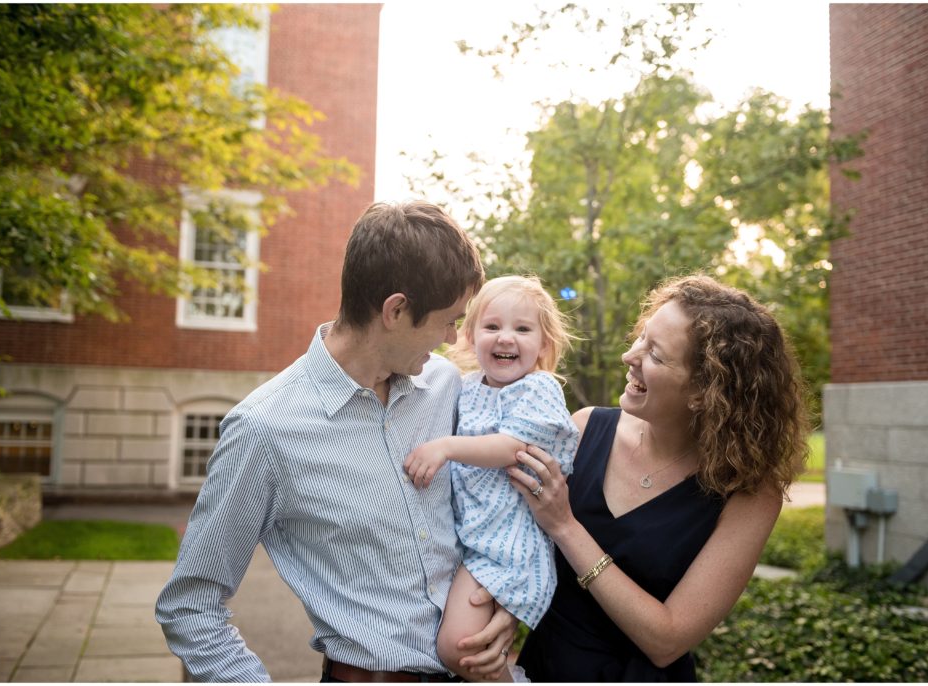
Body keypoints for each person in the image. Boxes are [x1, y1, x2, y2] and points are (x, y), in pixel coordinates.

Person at [155, 201, 517, 683]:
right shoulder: (264, 430)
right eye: (448, 320)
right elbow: (190, 606)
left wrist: (503, 609)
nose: (453, 338)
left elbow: (485, 512)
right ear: (396, 310)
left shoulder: (445, 385)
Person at [504, 274, 808, 681]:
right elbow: (508, 548)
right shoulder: (582, 428)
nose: (630, 356)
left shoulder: (749, 492)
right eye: (641, 338)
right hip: (541, 669)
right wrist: (495, 630)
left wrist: (564, 526)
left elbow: (667, 641)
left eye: (656, 355)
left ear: (705, 390)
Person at [403, 275, 580, 680]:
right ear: (468, 335)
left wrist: (444, 447)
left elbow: (511, 448)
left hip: (510, 546)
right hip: (473, 540)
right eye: (492, 326)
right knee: (464, 649)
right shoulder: (465, 387)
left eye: (522, 329)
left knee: (458, 649)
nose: (505, 338)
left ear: (544, 344)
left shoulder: (539, 389)